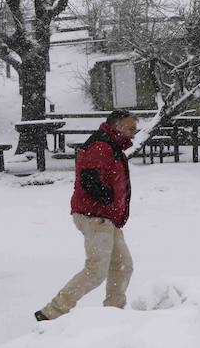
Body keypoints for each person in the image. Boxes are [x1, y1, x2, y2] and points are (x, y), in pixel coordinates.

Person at [35, 110, 137, 321]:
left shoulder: (112, 146)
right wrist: (107, 199)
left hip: (107, 217)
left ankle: (114, 313)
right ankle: (51, 312)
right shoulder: (101, 146)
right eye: (131, 128)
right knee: (96, 271)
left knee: (122, 265)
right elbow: (89, 178)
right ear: (118, 126)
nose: (134, 133)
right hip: (95, 216)